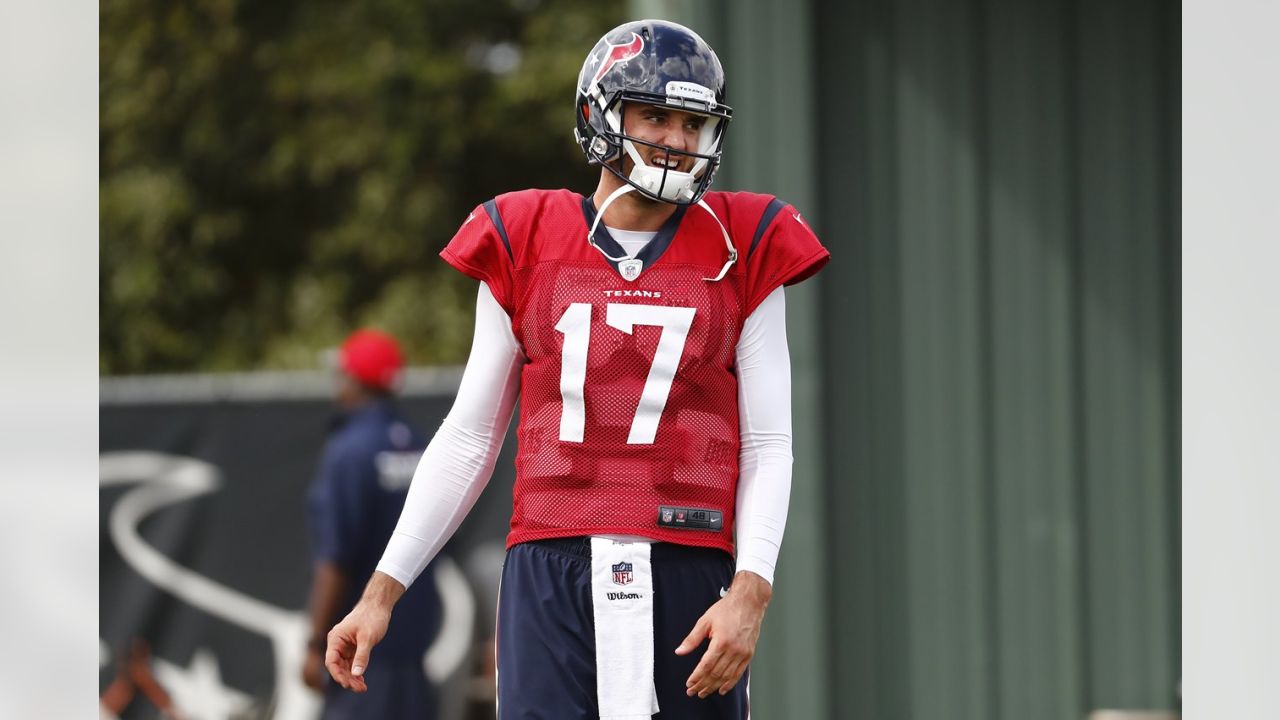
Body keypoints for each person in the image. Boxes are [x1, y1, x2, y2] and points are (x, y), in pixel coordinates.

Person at [324, 19, 829, 719]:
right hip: (549, 565)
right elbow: (472, 437)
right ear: (600, 114)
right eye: (656, 116)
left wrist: (752, 589)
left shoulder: (744, 239)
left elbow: (769, 443)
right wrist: (383, 590)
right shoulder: (523, 233)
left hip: (690, 559)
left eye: (691, 123)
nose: (677, 141)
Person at [304, 328, 443, 719]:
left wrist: (316, 644)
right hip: (414, 654)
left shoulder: (349, 450)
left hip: (358, 656)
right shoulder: (419, 444)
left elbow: (335, 557)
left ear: (356, 379)